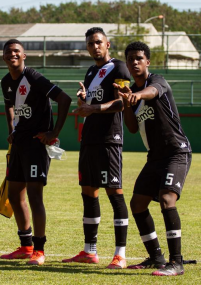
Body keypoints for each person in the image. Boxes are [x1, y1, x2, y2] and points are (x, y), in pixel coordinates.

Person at [114, 41, 192, 276]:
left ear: (147, 61)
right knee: (137, 204)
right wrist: (127, 103)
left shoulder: (157, 81)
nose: (134, 62)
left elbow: (154, 91)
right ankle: (156, 257)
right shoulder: (132, 93)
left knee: (168, 198)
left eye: (139, 58)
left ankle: (176, 263)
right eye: (130, 59)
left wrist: (136, 95)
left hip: (176, 152)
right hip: (155, 157)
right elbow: (131, 128)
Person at [62, 27, 130, 269]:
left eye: (98, 42)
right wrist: (84, 99)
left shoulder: (120, 68)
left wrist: (94, 108)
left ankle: (120, 254)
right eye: (90, 43)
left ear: (108, 44)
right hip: (89, 139)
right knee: (88, 192)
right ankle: (90, 251)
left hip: (109, 140)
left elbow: (123, 101)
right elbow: (91, 103)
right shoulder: (91, 72)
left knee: (114, 193)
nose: (95, 46)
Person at [0, 39, 71, 265]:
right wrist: (11, 130)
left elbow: (64, 99)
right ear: (4, 57)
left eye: (17, 51)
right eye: (9, 51)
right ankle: (25, 245)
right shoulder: (5, 82)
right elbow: (9, 105)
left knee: (34, 196)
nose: (13, 54)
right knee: (14, 194)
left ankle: (39, 250)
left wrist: (53, 131)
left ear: (24, 55)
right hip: (19, 144)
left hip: (36, 145)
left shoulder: (33, 77)